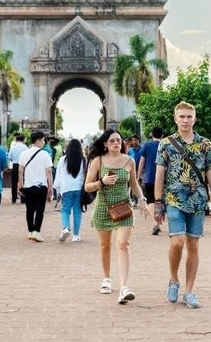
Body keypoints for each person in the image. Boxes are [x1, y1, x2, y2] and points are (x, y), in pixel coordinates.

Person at [154, 102, 211, 309]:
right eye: (182, 116)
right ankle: (174, 279)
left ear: (195, 119)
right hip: (174, 199)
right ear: (175, 119)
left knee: (193, 244)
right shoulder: (166, 143)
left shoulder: (205, 144)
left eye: (189, 117)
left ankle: (189, 290)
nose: (185, 120)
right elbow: (159, 174)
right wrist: (158, 202)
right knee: (177, 242)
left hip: (198, 201)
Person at [84, 128, 148, 304]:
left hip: (124, 209)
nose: (115, 143)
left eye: (118, 140)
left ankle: (124, 287)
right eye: (111, 140)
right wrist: (101, 182)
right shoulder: (98, 160)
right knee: (105, 246)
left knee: (123, 244)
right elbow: (87, 186)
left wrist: (141, 199)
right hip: (103, 209)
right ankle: (106, 278)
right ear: (105, 143)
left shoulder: (129, 161)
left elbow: (134, 184)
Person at [17, 131, 54, 242]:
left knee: (29, 209)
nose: (44, 142)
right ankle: (36, 232)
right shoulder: (45, 154)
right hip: (41, 186)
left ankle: (30, 231)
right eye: (43, 140)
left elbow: (20, 170)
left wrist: (20, 185)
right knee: (39, 209)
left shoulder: (24, 154)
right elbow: (48, 172)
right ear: (38, 140)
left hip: (28, 186)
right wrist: (50, 186)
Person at [53, 139, 87, 242]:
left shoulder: (63, 160)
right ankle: (76, 236)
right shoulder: (83, 160)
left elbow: (58, 175)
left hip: (66, 189)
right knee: (77, 211)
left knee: (65, 210)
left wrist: (58, 190)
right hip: (79, 188)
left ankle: (66, 228)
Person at [137, 127, 163, 235]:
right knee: (160, 200)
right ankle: (159, 221)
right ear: (162, 135)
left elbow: (142, 162)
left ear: (152, 134)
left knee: (151, 201)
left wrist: (138, 176)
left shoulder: (146, 146)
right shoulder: (165, 145)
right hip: (163, 179)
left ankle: (155, 223)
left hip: (149, 177)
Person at [8, 133, 28, 204]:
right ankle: (23, 199)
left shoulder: (13, 148)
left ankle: (14, 198)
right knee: (23, 181)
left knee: (14, 182)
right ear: (23, 140)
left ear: (16, 140)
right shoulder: (25, 147)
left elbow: (9, 157)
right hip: (23, 165)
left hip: (15, 165)